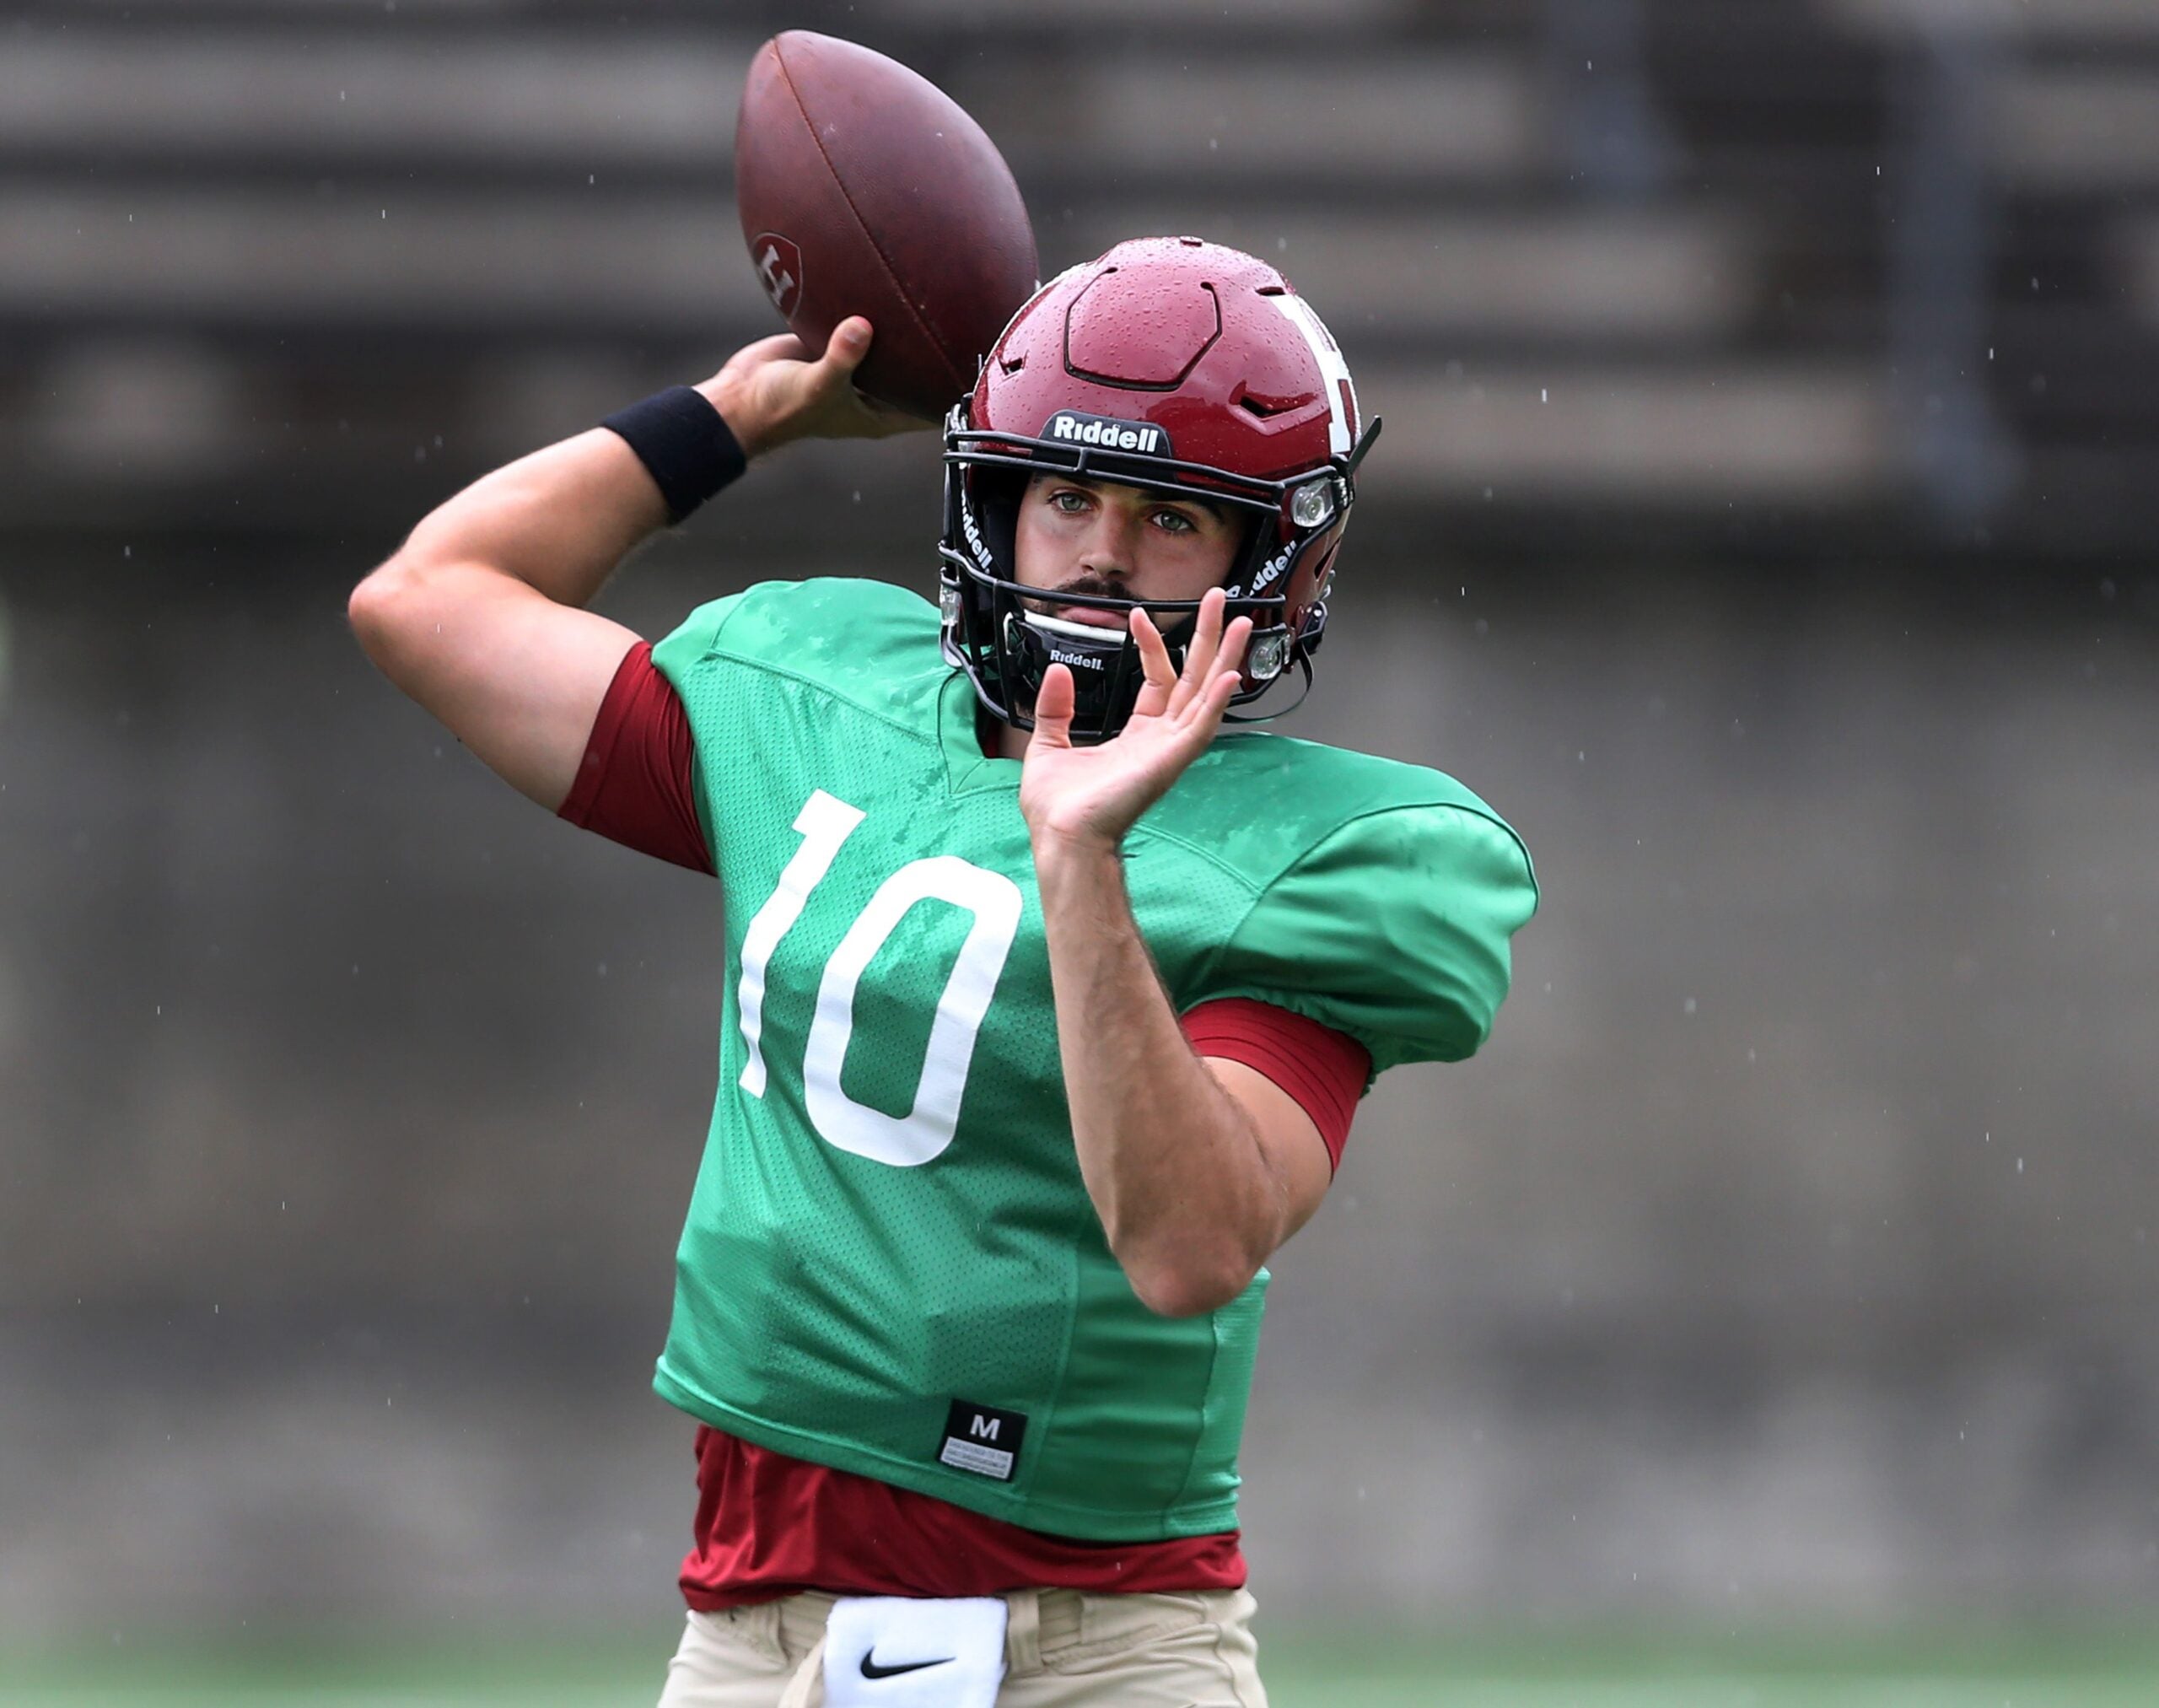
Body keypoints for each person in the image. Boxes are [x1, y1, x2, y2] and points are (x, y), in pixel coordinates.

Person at [348, 237, 1537, 1708]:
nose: (1101, 553)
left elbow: (1190, 1245)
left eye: (1171, 516)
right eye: (1067, 495)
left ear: (1279, 559)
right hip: (748, 1628)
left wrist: (1083, 863)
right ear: (998, 501)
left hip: (1097, 1644)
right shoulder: (823, 696)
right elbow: (428, 597)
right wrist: (732, 420)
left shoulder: (1312, 855)